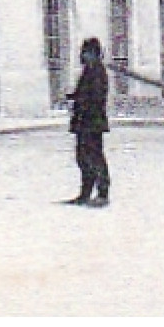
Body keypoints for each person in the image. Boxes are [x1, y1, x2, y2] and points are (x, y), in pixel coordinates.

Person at [66, 37, 111, 207]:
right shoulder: (89, 70)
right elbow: (83, 93)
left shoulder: (98, 72)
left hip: (92, 121)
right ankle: (85, 194)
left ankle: (102, 193)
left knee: (95, 156)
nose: (83, 55)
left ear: (94, 53)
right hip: (84, 121)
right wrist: (72, 97)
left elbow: (96, 98)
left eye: (86, 52)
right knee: (83, 158)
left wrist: (81, 105)